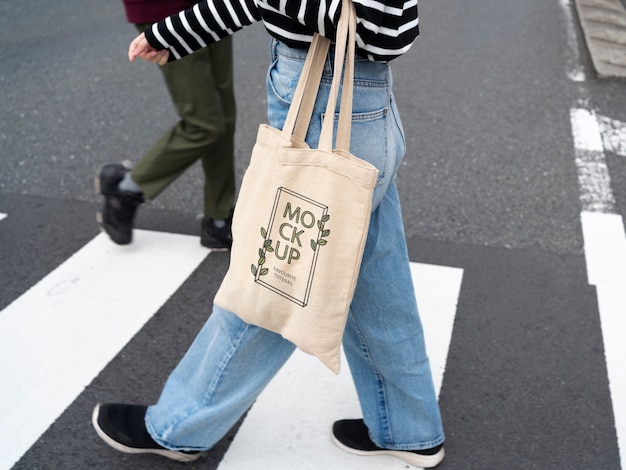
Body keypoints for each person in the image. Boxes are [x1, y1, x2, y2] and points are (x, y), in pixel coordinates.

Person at [92, 0, 446, 467]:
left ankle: (180, 426)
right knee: (377, 281)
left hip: (332, 106)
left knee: (274, 283)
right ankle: (409, 428)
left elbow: (391, 26)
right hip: (333, 101)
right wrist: (177, 32)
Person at [96, 0, 236, 249]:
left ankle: (218, 218)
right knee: (204, 124)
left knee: (224, 117)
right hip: (166, 9)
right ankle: (126, 189)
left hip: (216, 8)